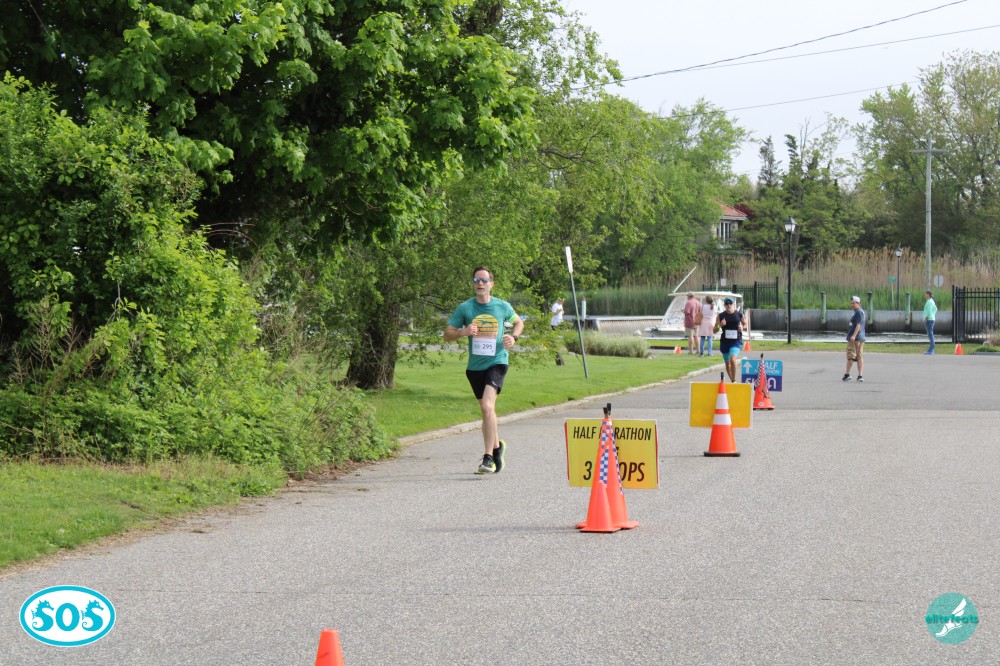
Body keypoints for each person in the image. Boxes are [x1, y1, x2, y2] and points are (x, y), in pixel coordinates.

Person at [444, 266, 524, 474]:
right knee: (487, 410)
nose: (480, 284)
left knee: (488, 406)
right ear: (473, 284)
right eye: (476, 280)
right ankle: (497, 447)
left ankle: (488, 458)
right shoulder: (465, 308)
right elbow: (447, 334)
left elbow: (518, 323)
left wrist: (513, 337)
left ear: (491, 284)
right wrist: (463, 332)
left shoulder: (502, 306)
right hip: (475, 368)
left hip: (497, 362)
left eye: (484, 280)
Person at [715, 297, 747, 382]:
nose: (729, 305)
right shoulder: (721, 316)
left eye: (730, 303)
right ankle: (732, 380)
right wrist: (720, 325)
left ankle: (734, 379)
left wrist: (742, 327)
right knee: (727, 363)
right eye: (727, 304)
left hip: (736, 341)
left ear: (734, 304)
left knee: (732, 359)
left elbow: (745, 324)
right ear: (724, 305)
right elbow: (714, 330)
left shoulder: (739, 314)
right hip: (725, 342)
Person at [843, 295, 866, 382]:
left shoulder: (858, 312)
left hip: (855, 338)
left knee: (851, 356)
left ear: (858, 303)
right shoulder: (860, 312)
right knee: (859, 356)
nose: (852, 305)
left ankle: (847, 374)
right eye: (851, 303)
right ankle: (860, 376)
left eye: (853, 303)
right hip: (861, 337)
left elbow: (858, 325)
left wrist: (853, 335)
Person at [923, 290, 937, 355]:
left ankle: (931, 349)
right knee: (930, 334)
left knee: (930, 334)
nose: (925, 295)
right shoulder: (932, 301)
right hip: (931, 318)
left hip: (929, 320)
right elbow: (935, 309)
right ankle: (930, 349)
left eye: (925, 294)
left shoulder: (929, 302)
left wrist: (926, 318)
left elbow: (929, 311)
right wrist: (933, 315)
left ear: (928, 295)